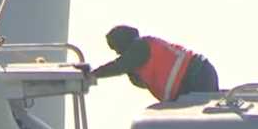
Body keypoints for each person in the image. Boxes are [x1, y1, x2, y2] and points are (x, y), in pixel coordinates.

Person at [87, 25, 219, 102]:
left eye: (116, 47)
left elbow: (118, 66)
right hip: (192, 80)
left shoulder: (140, 47)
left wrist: (93, 74)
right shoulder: (140, 58)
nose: (117, 52)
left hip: (195, 76)